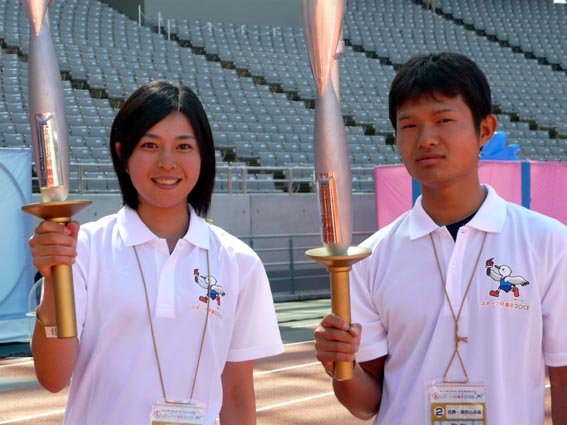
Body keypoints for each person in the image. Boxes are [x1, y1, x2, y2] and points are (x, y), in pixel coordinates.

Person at [314, 52, 567, 424]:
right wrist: (340, 364)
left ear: (484, 130)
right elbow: (367, 403)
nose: (426, 139)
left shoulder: (547, 242)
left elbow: (562, 379)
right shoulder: (371, 257)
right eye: (410, 126)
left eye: (444, 120)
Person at [29, 80, 284, 425]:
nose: (167, 162)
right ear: (123, 153)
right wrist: (53, 280)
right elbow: (53, 377)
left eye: (183, 146)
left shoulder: (238, 262)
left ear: (203, 156)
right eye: (150, 145)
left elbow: (237, 391)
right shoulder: (83, 250)